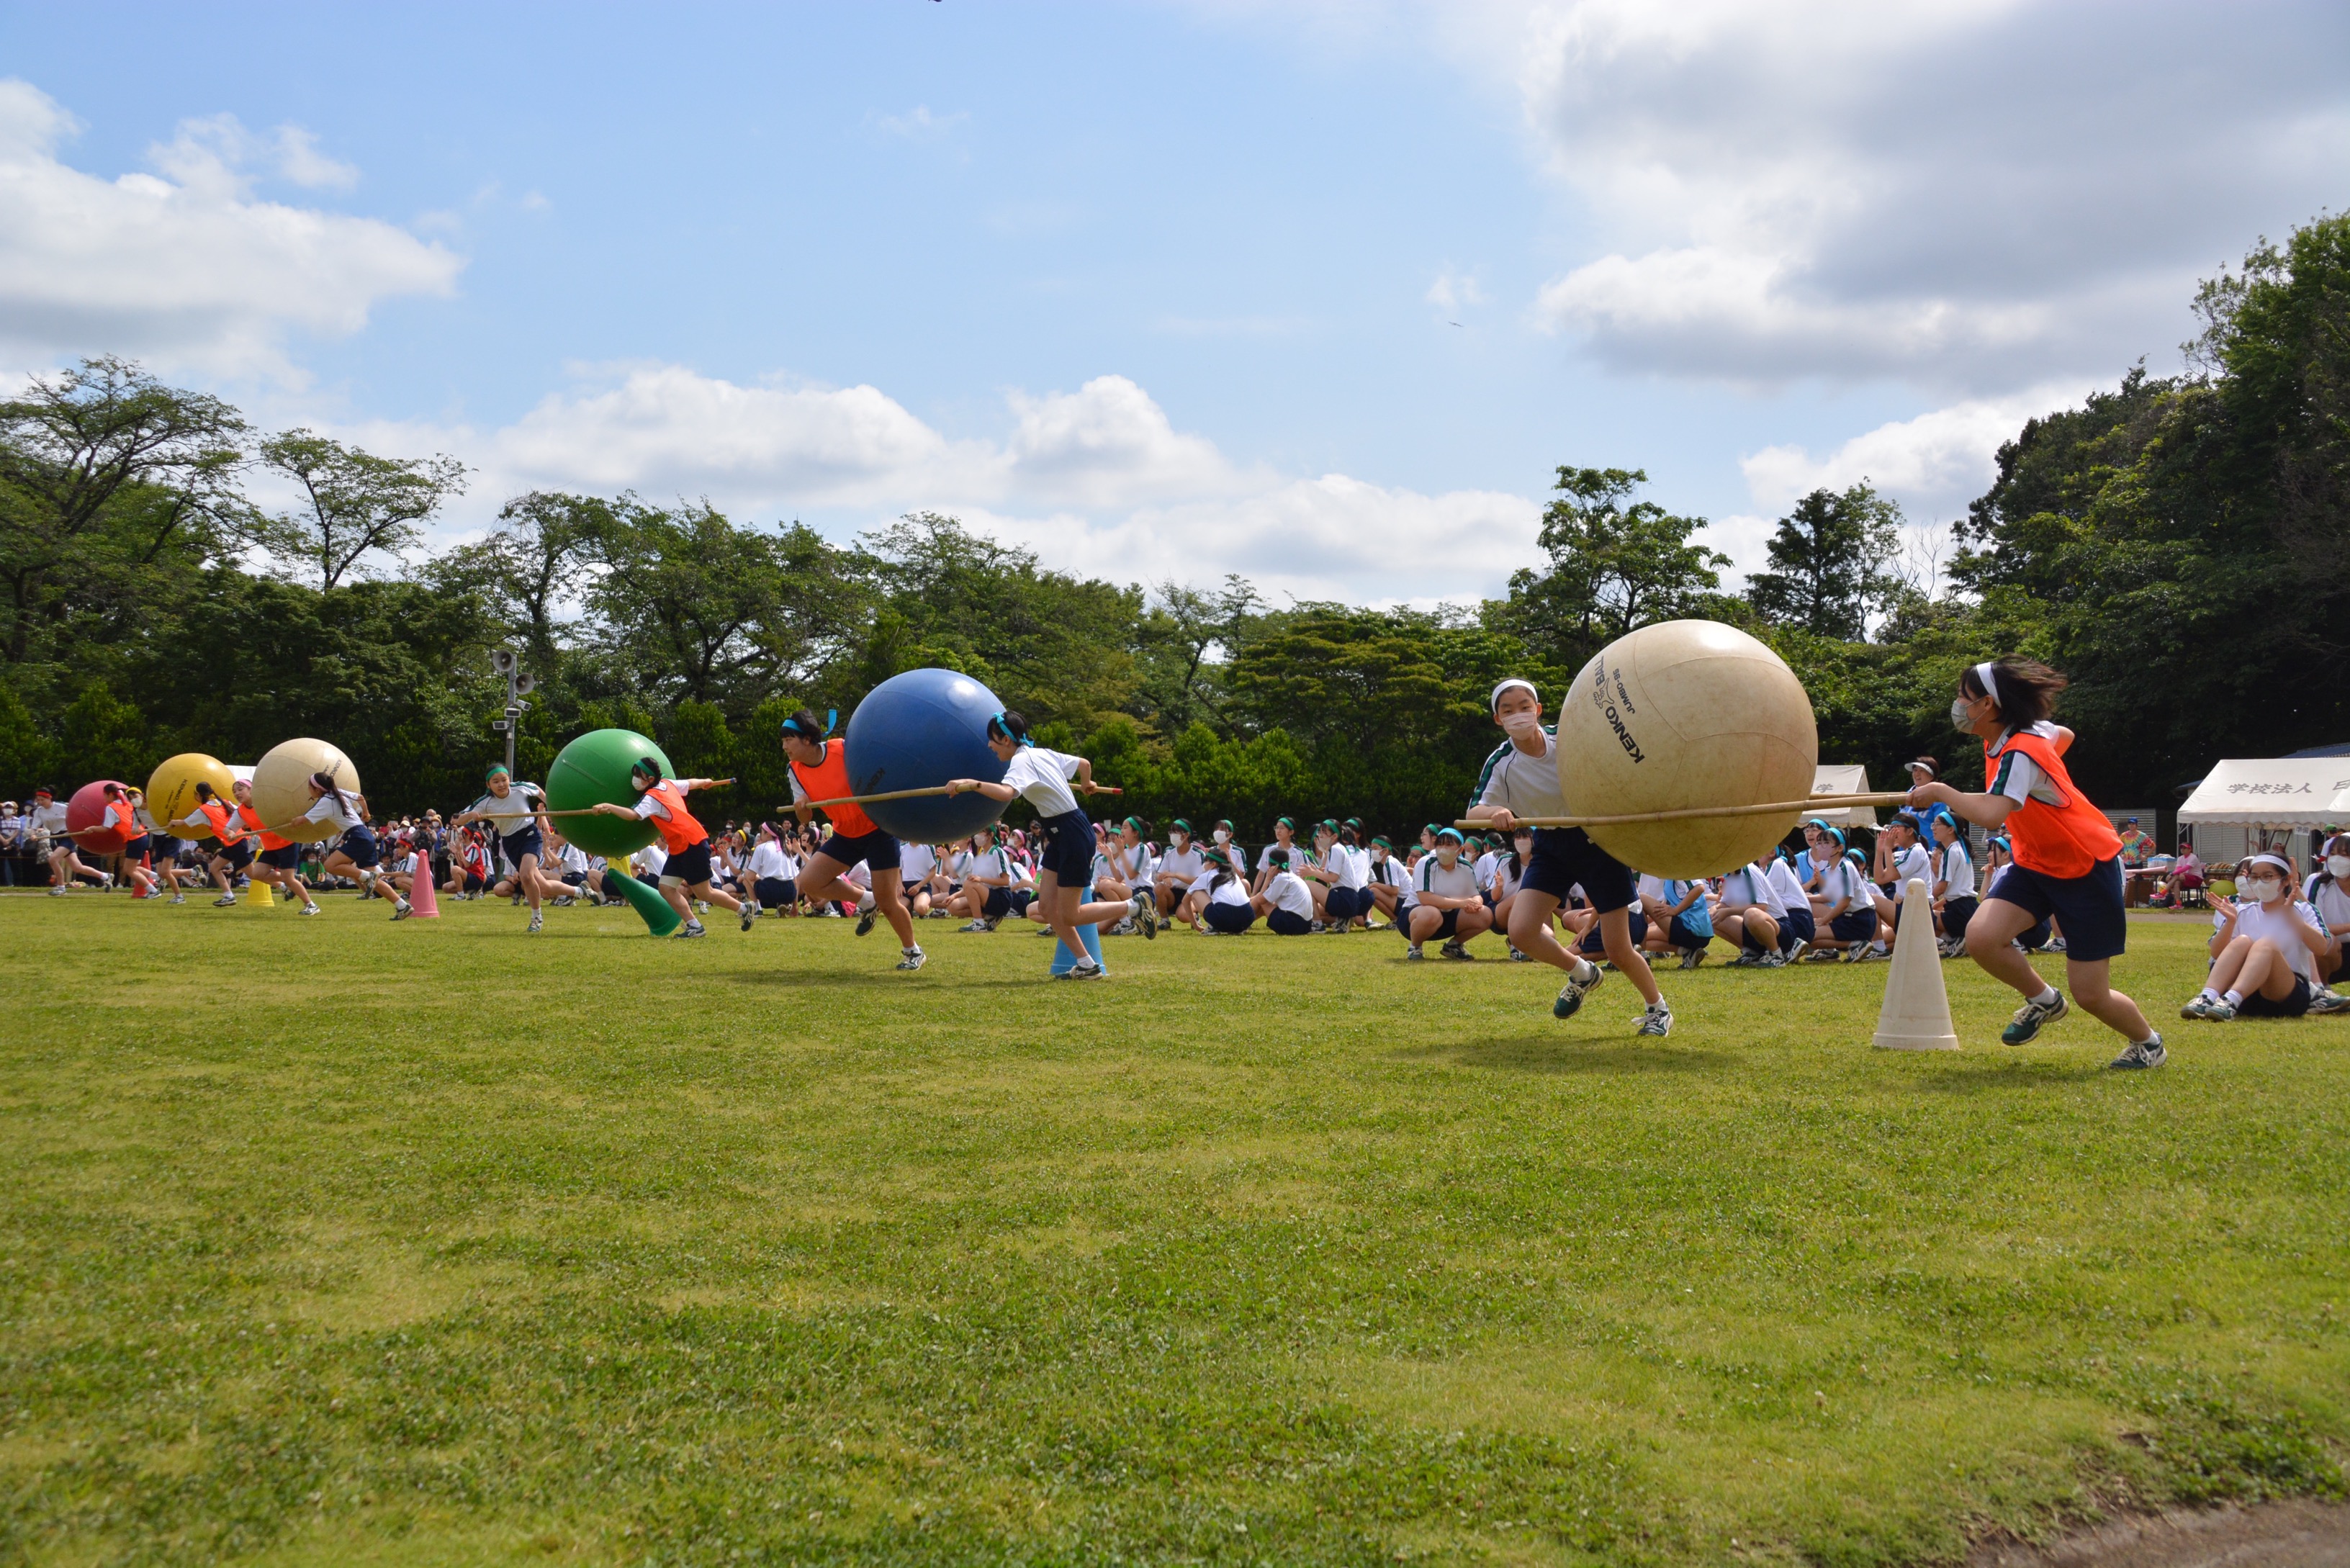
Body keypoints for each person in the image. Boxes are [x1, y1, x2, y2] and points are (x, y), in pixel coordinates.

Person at [1908, 659, 2164, 1068]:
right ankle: (2045, 1000)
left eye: (1963, 697)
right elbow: (2064, 734)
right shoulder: (2016, 735)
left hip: (2086, 865)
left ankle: (2148, 1043)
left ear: (1988, 704)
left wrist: (1941, 791)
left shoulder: (2020, 751)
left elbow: (1992, 815)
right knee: (1982, 937)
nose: (1957, 704)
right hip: (2036, 863)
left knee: (2091, 994)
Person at [1467, 678, 1670, 1033]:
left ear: (1539, 709)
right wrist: (1495, 813)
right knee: (1522, 931)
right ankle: (1582, 973)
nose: (1518, 715)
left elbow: (1620, 758)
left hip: (1598, 840)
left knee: (1618, 948)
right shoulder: (1501, 761)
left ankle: (1658, 1010)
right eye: (1507, 710)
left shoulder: (1570, 736)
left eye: (1524, 706)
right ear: (1498, 720)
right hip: (1550, 844)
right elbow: (1473, 812)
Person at [942, 710, 1153, 978]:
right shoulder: (1043, 754)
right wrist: (1087, 783)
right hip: (1059, 833)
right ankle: (1088, 965)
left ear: (1006, 740)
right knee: (1045, 908)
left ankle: (1134, 906)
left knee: (1071, 914)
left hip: (1073, 833)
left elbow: (1007, 793)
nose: (989, 745)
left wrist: (971, 784)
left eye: (992, 740)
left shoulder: (1021, 762)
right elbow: (1084, 764)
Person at [780, 709, 923, 968]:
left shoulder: (844, 749)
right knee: (811, 881)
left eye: (789, 739)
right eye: (783, 740)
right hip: (845, 832)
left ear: (808, 740)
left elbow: (879, 772)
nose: (784, 746)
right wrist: (802, 808)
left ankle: (913, 951)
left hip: (878, 828)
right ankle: (866, 901)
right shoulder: (794, 770)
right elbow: (804, 817)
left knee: (888, 901)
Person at [588, 757, 749, 940]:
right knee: (665, 888)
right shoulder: (667, 783)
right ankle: (694, 926)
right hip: (679, 846)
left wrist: (608, 806)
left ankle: (743, 909)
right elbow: (690, 783)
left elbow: (633, 815)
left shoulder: (652, 797)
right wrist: (705, 782)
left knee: (704, 893)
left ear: (649, 779)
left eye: (637, 775)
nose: (634, 779)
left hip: (692, 843)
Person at [2181, 852, 2346, 1019]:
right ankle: (2207, 997)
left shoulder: (2303, 910)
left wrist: (2293, 919)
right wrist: (2230, 922)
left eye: (2268, 876)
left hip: (2284, 994)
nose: (2260, 882)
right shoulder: (2242, 910)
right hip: (2248, 996)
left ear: (2285, 880)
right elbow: (2216, 954)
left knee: (2266, 944)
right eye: (2254, 877)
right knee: (2242, 941)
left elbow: (2322, 948)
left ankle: (2231, 1000)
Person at [452, 766, 557, 933]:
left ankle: (536, 917)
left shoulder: (519, 788)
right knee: (538, 883)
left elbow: (536, 789)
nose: (501, 784)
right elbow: (458, 820)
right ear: (488, 785)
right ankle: (579, 891)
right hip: (509, 841)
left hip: (530, 834)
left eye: (504, 780)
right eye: (496, 782)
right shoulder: (484, 803)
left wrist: (550, 804)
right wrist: (472, 816)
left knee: (526, 875)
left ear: (509, 779)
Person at [297, 773, 408, 917]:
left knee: (330, 865)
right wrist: (366, 814)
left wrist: (290, 823)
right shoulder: (339, 792)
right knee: (375, 881)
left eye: (309, 787)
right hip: (365, 834)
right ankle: (402, 906)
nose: (308, 789)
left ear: (317, 789)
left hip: (357, 836)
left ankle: (368, 876)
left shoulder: (326, 800)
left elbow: (303, 820)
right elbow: (360, 797)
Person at [1401, 828, 1490, 961]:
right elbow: (1425, 898)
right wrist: (1462, 903)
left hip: (1448, 917)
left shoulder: (1465, 867)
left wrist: (1476, 903)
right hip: (1416, 917)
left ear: (1460, 850)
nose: (1443, 849)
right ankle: (1415, 946)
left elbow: (1475, 894)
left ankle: (1454, 946)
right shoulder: (1426, 863)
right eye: (1440, 845)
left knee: (1485, 914)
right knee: (1431, 913)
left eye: (1448, 845)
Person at [2299, 832, 2350, 990]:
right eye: (2333, 854)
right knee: (2325, 940)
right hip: (2333, 952)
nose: (2336, 859)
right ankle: (2322, 989)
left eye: (2343, 855)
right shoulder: (2318, 882)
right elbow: (2314, 927)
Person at [1930, 811, 1978, 955]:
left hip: (1960, 910)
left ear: (1951, 829)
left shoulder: (1951, 851)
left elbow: (1943, 885)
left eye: (1938, 824)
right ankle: (1956, 939)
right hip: (1967, 907)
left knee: (1922, 918)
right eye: (1933, 824)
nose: (1933, 828)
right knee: (1931, 917)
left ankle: (1955, 940)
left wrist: (1922, 898)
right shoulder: (1960, 849)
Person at [1252, 848, 1318, 934]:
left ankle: (1241, 922)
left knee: (1261, 900)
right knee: (1265, 900)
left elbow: (1261, 900)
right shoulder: (1291, 876)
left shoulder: (1282, 878)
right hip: (1305, 925)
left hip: (1292, 925)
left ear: (1272, 866)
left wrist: (1268, 878)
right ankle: (1245, 923)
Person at [1190, 847, 1255, 934]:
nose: (1204, 864)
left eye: (1206, 861)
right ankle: (1237, 929)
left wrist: (1196, 926)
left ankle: (1212, 927)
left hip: (1222, 918)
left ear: (1213, 864)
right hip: (1247, 919)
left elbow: (1186, 900)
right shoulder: (1234, 875)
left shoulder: (1207, 875)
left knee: (1196, 893)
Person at [1153, 820, 1205, 924]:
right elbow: (1159, 875)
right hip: (1172, 893)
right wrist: (1164, 877)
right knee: (1158, 887)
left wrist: (1175, 875)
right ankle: (1164, 920)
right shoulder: (1169, 851)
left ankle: (1195, 915)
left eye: (1176, 832)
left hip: (1190, 893)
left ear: (1186, 835)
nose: (1173, 835)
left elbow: (1198, 881)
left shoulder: (1198, 854)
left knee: (1183, 916)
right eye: (1171, 832)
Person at [748, 822, 801, 916]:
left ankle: (757, 909)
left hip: (769, 891)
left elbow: (751, 876)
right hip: (789, 892)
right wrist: (795, 906)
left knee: (745, 877)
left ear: (768, 834)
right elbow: (795, 880)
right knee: (781, 884)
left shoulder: (761, 848)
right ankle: (783, 905)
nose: (760, 836)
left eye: (761, 833)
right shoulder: (786, 849)